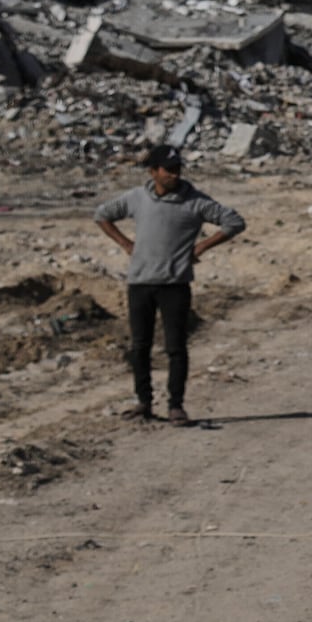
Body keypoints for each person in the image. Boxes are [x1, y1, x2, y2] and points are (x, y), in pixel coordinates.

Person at [89, 144, 243, 422]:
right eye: (168, 170)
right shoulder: (137, 198)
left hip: (175, 284)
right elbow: (102, 215)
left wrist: (202, 247)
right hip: (140, 283)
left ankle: (175, 404)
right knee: (140, 347)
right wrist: (125, 243)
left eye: (177, 169)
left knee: (176, 347)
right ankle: (144, 402)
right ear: (153, 172)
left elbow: (234, 222)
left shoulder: (195, 201)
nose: (174, 175)